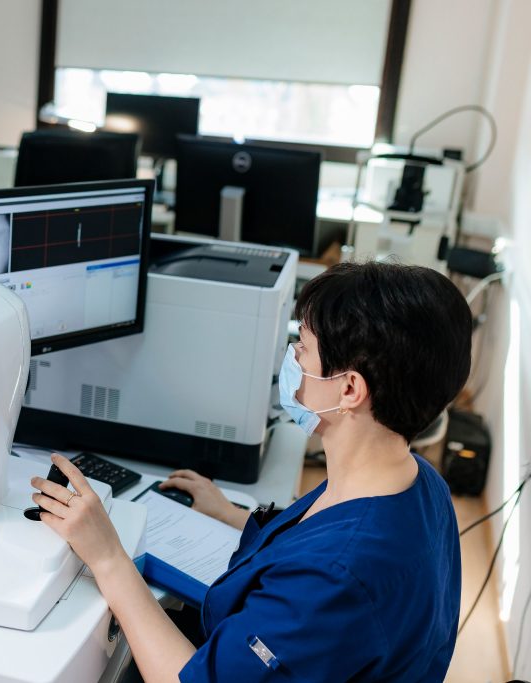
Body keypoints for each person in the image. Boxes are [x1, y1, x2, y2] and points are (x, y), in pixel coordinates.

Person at [32, 261, 473, 682]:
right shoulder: (420, 483)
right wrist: (233, 516)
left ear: (349, 389)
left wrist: (108, 557)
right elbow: (326, 536)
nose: (292, 357)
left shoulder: (334, 580)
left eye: (303, 347)